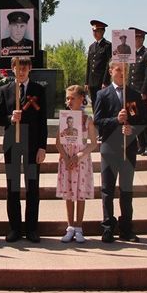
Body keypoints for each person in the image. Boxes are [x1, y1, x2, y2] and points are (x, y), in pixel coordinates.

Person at [94, 61, 147, 243]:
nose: (122, 73)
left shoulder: (134, 95)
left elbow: (142, 120)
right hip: (110, 146)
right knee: (107, 189)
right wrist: (115, 120)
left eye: (125, 69)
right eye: (118, 69)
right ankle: (108, 227)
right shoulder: (102, 94)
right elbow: (98, 121)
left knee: (126, 189)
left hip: (128, 147)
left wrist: (132, 129)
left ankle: (126, 228)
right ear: (111, 71)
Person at [0, 56, 47, 243]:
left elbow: (42, 120)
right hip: (12, 142)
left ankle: (32, 228)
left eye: (25, 68)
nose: (21, 71)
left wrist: (42, 147)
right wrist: (10, 118)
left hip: (32, 143)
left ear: (30, 69)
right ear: (12, 69)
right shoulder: (5, 90)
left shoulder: (38, 90)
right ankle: (15, 228)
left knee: (32, 187)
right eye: (18, 67)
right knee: (13, 187)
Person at [56, 86, 96, 244]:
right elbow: (58, 142)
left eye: (72, 98)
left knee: (80, 193)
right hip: (67, 160)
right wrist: (66, 157)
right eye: (67, 98)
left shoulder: (87, 119)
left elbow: (93, 143)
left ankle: (79, 227)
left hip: (81, 161)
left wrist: (80, 155)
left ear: (81, 99)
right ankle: (70, 226)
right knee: (68, 193)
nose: (69, 101)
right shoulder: (64, 118)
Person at [129, 27, 147, 155]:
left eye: (136, 38)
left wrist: (144, 92)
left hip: (142, 94)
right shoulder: (131, 54)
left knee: (145, 121)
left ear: (141, 39)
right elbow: (130, 75)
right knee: (135, 119)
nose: (134, 40)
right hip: (132, 94)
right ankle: (141, 145)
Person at [86, 20, 111, 104]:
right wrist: (87, 82)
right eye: (93, 31)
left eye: (97, 31)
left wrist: (105, 81)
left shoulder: (107, 46)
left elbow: (109, 65)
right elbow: (89, 65)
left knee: (102, 104)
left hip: (101, 81)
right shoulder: (91, 46)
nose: (94, 33)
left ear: (103, 31)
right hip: (92, 82)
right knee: (94, 103)